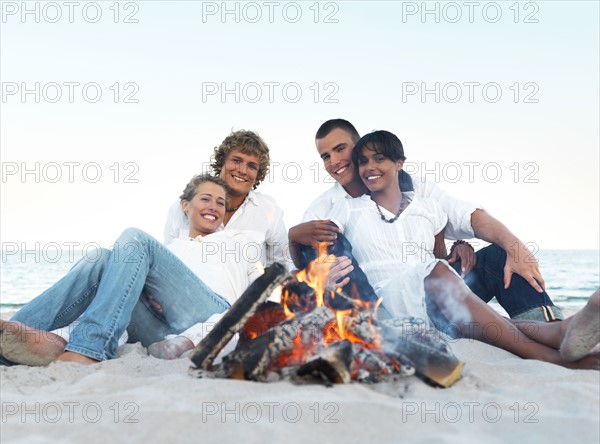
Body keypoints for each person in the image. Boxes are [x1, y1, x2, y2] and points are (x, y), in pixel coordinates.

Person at [326, 130, 599, 369]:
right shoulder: (348, 207)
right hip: (389, 300)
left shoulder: (428, 207)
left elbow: (439, 256)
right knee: (439, 277)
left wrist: (460, 250)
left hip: (432, 300)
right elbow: (319, 240)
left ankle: (560, 330)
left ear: (399, 163)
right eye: (363, 161)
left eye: (379, 158)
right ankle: (551, 353)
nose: (369, 167)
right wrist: (295, 240)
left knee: (473, 270)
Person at [289, 119, 563, 322]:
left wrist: (517, 248)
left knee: (499, 256)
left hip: (442, 290)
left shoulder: (415, 189)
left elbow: (467, 215)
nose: (335, 161)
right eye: (326, 156)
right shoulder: (327, 209)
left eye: (340, 149)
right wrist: (297, 243)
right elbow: (306, 268)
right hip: (388, 305)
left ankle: (546, 326)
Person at [0, 175, 263, 366]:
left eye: (220, 203)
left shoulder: (239, 241)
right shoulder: (169, 249)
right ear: (185, 205)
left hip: (208, 312)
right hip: (157, 331)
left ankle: (90, 347)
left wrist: (197, 336)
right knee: (101, 258)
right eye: (206, 198)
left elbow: (258, 301)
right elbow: (117, 300)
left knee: (133, 238)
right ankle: (16, 329)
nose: (214, 207)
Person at [164, 130, 289, 268]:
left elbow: (280, 266)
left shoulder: (268, 210)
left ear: (258, 175)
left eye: (252, 166)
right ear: (221, 163)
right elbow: (169, 262)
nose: (242, 170)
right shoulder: (183, 206)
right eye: (237, 161)